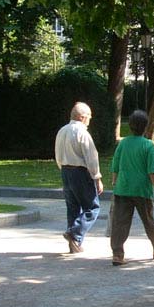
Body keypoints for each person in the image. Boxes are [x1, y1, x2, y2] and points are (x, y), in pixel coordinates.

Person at [108, 109, 154, 266]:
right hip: (142, 190)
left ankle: (117, 255)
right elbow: (152, 172)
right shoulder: (148, 146)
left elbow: (115, 164)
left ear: (130, 126)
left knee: (120, 223)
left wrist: (114, 181)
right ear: (146, 127)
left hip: (123, 188)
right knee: (148, 220)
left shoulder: (123, 143)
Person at [54, 102, 103, 254]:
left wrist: (63, 168)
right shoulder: (82, 133)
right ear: (82, 117)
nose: (89, 120)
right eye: (89, 117)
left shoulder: (62, 131)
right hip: (80, 172)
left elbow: (57, 154)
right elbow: (91, 157)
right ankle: (74, 233)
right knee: (92, 208)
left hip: (65, 171)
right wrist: (97, 178)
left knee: (73, 208)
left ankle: (74, 244)